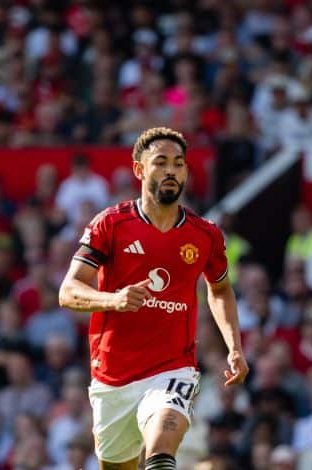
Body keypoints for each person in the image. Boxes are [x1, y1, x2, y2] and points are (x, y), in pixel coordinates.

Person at [59, 127, 249, 470]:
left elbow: (220, 290)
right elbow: (69, 291)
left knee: (162, 449)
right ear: (140, 169)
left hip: (173, 368)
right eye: (161, 162)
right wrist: (113, 300)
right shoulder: (111, 224)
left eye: (179, 163)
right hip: (113, 374)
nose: (171, 171)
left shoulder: (205, 234)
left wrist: (234, 346)